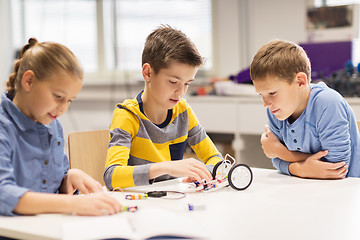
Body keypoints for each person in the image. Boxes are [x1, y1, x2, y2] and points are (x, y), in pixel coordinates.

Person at [0, 38, 121, 216]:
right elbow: (4, 194)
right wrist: (74, 204)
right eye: (58, 96)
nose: (64, 108)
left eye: (69, 100)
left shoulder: (52, 123)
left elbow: (50, 181)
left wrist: (69, 177)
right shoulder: (4, 127)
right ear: (29, 81)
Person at [104, 25, 222, 189]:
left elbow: (216, 160)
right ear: (148, 73)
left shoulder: (183, 112)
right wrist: (166, 167)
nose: (180, 92)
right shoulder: (127, 115)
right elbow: (112, 176)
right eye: (173, 82)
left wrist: (201, 174)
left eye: (187, 83)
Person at [250, 39, 360, 179]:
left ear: (300, 82)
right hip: (309, 188)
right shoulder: (276, 110)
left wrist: (280, 151)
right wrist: (300, 169)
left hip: (348, 189)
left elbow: (336, 169)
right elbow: (276, 162)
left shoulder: (327, 103)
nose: (266, 104)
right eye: (261, 95)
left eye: (272, 93)